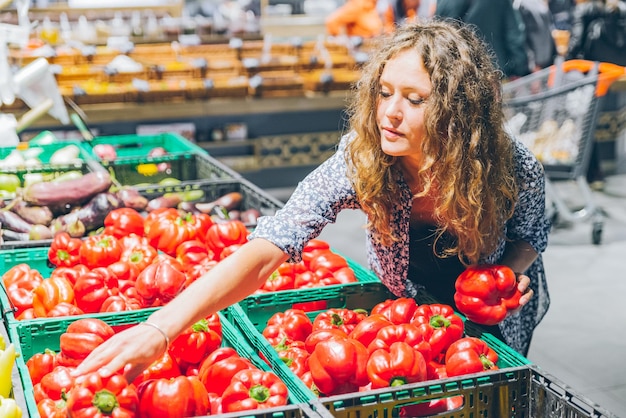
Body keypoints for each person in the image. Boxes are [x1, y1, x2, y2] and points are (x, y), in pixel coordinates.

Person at [73, 20, 550, 382]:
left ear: (457, 109)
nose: (390, 112)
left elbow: (531, 236)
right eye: (383, 93)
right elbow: (271, 245)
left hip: (495, 319)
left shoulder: (512, 169)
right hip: (409, 311)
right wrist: (160, 329)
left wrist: (507, 275)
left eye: (415, 99)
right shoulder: (363, 162)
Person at [435, 0, 531, 78]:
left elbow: (441, 37)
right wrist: (519, 70)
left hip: (465, 77)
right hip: (498, 71)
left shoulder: (447, 2)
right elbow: (513, 35)